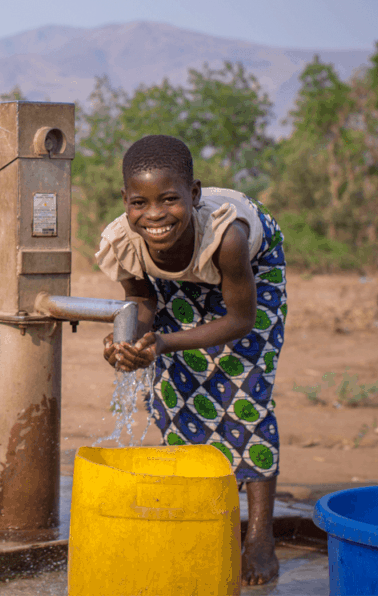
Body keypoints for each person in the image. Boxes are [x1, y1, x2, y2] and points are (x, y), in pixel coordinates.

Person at [97, 134, 286, 586]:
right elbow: (141, 301)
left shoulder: (229, 237)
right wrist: (128, 340)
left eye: (169, 199)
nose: (155, 214)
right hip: (180, 271)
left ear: (194, 194)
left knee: (245, 388)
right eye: (139, 202)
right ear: (125, 200)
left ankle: (259, 536)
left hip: (248, 278)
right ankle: (199, 506)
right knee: (175, 388)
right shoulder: (125, 239)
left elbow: (240, 320)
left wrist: (162, 342)